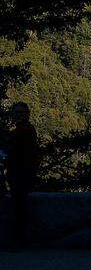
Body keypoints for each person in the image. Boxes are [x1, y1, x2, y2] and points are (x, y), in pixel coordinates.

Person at [5, 102, 39, 248]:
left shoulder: (25, 130)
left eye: (21, 112)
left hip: (21, 175)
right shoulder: (25, 130)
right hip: (18, 175)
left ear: (27, 114)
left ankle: (17, 241)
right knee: (19, 208)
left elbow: (10, 141)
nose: (18, 115)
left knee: (18, 209)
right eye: (16, 112)